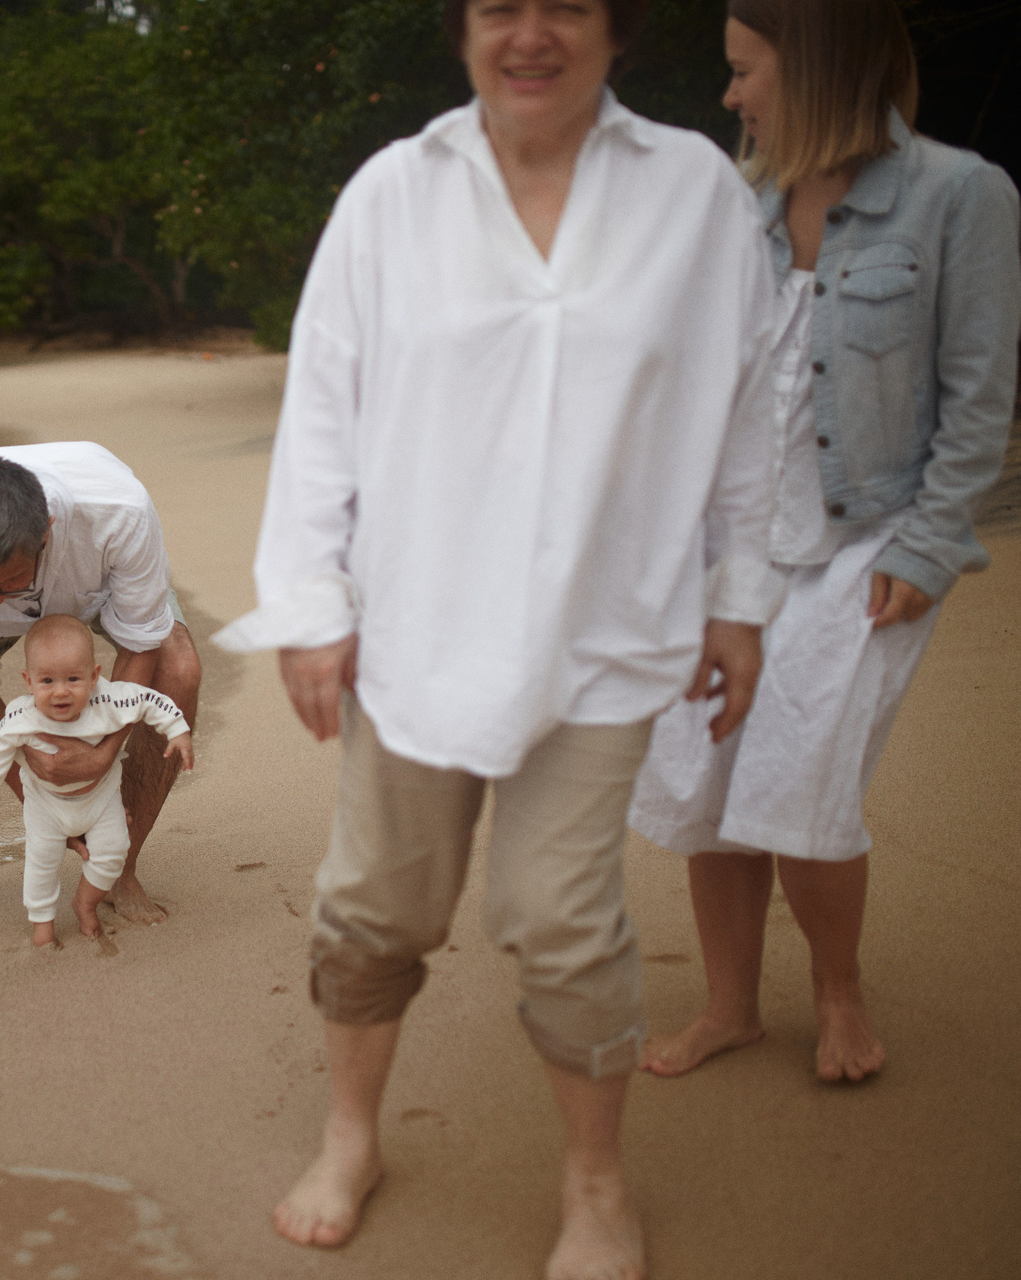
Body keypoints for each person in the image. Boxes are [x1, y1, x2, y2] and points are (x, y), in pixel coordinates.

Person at [213, 0, 790, 1274]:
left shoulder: (693, 192)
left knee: (561, 917)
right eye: (499, 7)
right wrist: (310, 604)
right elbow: (323, 407)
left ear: (617, 29)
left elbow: (750, 407)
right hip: (414, 626)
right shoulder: (392, 194)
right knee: (377, 904)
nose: (531, 34)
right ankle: (351, 1134)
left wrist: (739, 598)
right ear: (464, 28)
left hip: (608, 628)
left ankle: (596, 1183)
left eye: (565, 5)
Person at [629, 0, 1020, 1084]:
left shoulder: (962, 195)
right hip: (735, 547)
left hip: (869, 542)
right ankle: (731, 1008)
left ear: (818, 69)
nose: (730, 95)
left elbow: (980, 401)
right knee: (709, 777)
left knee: (802, 781)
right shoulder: (740, 200)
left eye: (745, 70)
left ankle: (839, 992)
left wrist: (927, 546)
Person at [0, 443, 202, 921]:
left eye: (8, 582)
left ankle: (120, 870)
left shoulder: (119, 513)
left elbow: (140, 644)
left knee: (179, 669)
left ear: (47, 531)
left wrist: (100, 760)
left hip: (97, 586)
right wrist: (52, 804)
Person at [0, 615, 193, 947]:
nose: (61, 691)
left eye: (73, 679)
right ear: (28, 681)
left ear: (94, 676)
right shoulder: (21, 716)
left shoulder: (109, 700)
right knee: (41, 864)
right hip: (45, 806)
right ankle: (42, 924)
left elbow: (149, 701)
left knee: (114, 852)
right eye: (47, 681)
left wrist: (177, 730)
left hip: (101, 799)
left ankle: (85, 903)